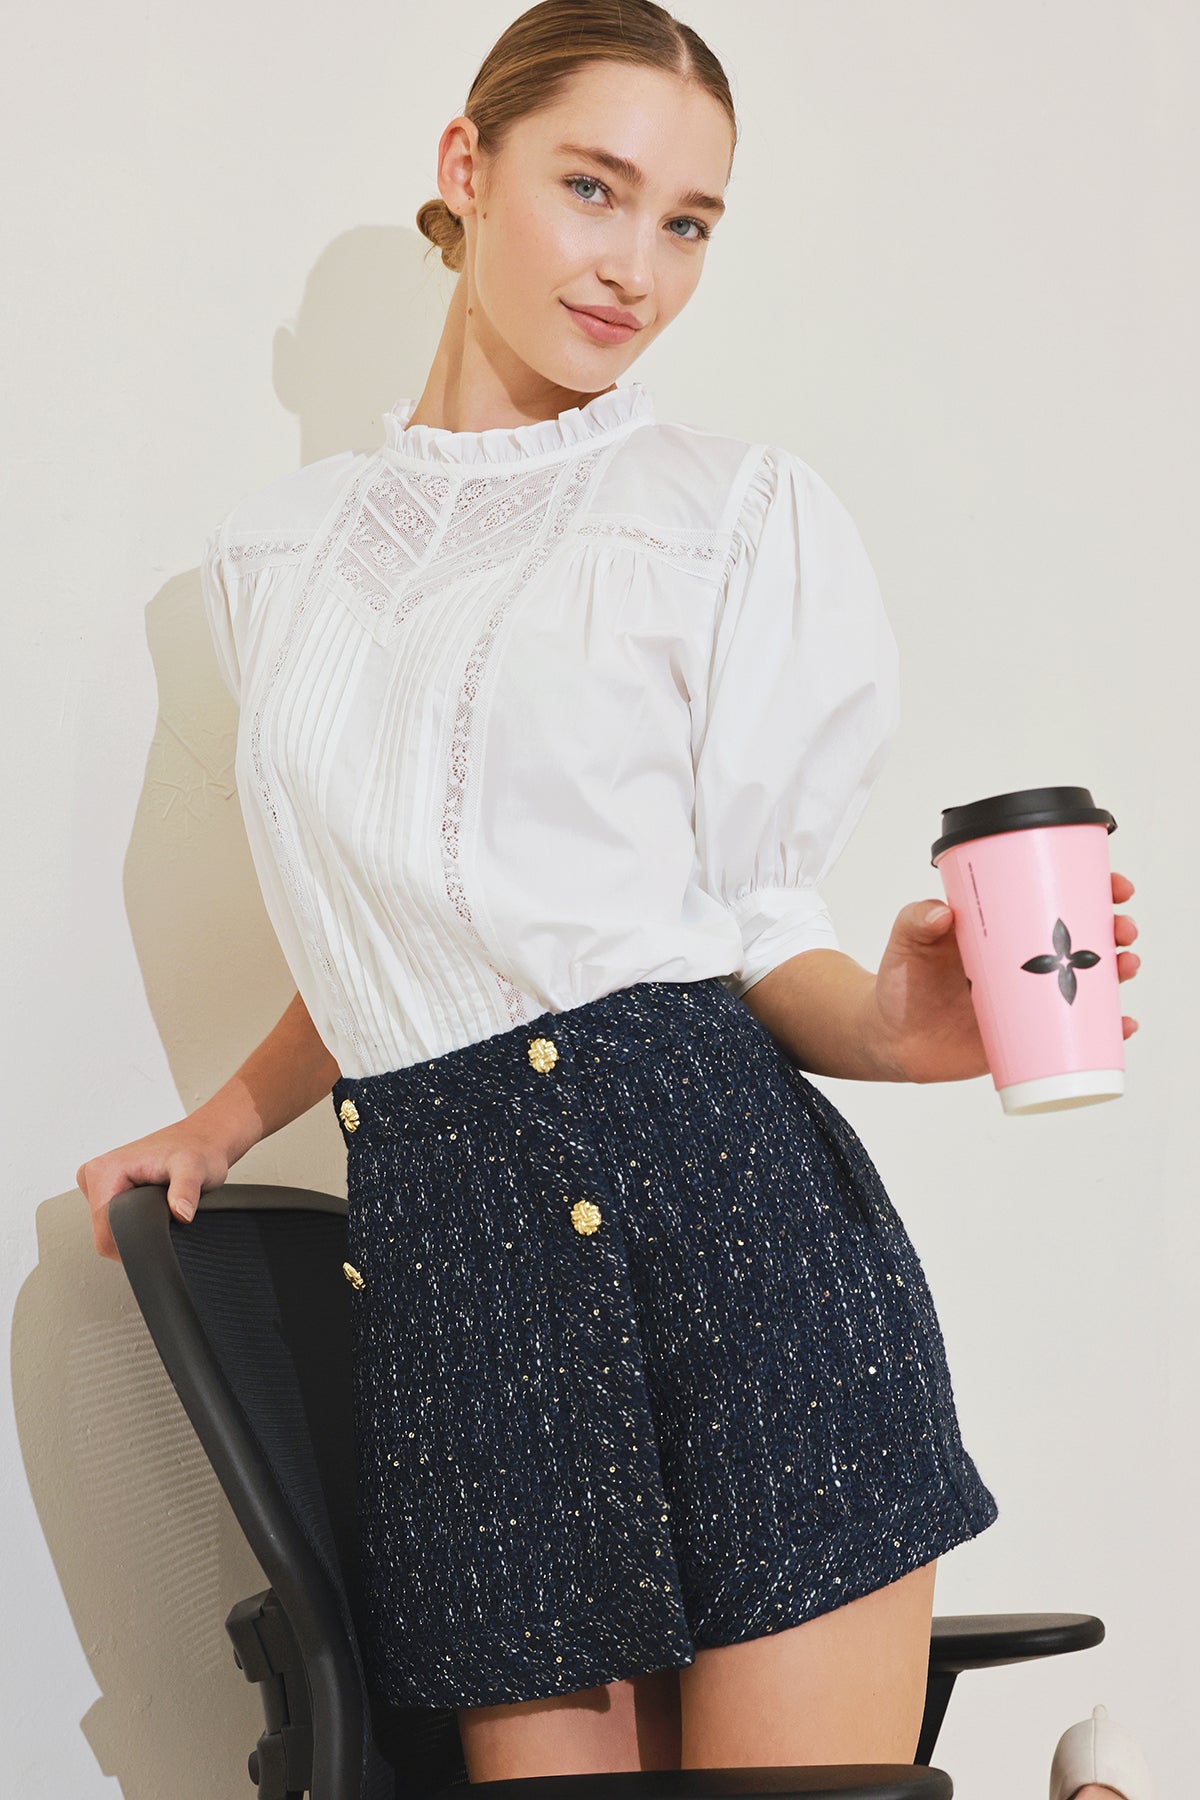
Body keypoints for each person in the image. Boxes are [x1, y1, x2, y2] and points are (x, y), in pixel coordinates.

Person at [75, 1, 1144, 1789]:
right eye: (593, 187)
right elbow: (402, 924)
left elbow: (746, 929)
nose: (636, 266)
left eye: (689, 222)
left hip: (744, 1249)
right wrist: (226, 1117)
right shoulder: (273, 565)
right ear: (467, 166)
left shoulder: (726, 517)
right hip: (465, 1303)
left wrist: (895, 1026)